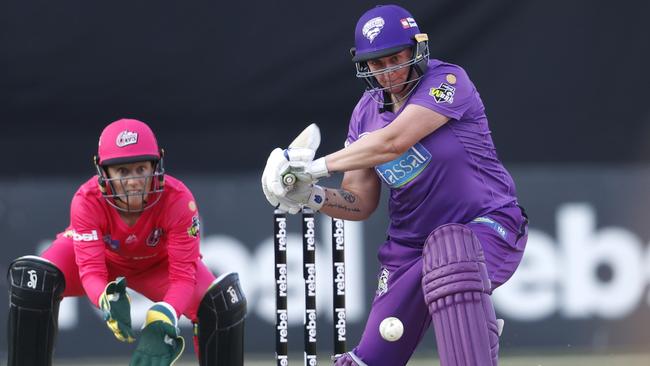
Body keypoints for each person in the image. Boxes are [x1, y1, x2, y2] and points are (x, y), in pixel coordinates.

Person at [262, 4, 528, 366]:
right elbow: (360, 200)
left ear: (416, 49)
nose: (388, 73)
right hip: (409, 249)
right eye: (376, 64)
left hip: (485, 225)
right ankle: (476, 325)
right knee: (369, 361)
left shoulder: (448, 82)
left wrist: (315, 167)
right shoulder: (364, 113)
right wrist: (311, 194)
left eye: (395, 59)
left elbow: (393, 142)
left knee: (452, 256)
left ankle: (475, 333)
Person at [7, 118, 247, 366]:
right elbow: (90, 271)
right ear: (103, 171)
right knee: (33, 281)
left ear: (155, 166)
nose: (133, 181)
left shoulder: (178, 200)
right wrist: (105, 298)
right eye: (122, 171)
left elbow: (183, 277)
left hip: (156, 266)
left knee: (222, 304)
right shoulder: (86, 200)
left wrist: (165, 314)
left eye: (141, 169)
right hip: (104, 260)